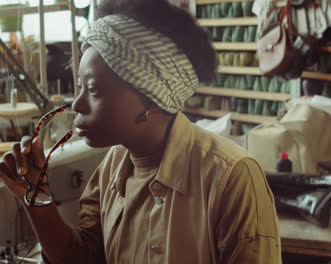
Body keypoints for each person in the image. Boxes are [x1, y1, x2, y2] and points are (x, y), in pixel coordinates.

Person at [0, 0, 281, 263]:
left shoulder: (230, 178)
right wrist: (36, 198)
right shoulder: (112, 168)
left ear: (151, 98)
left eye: (94, 90)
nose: (78, 104)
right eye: (79, 87)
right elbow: (83, 256)